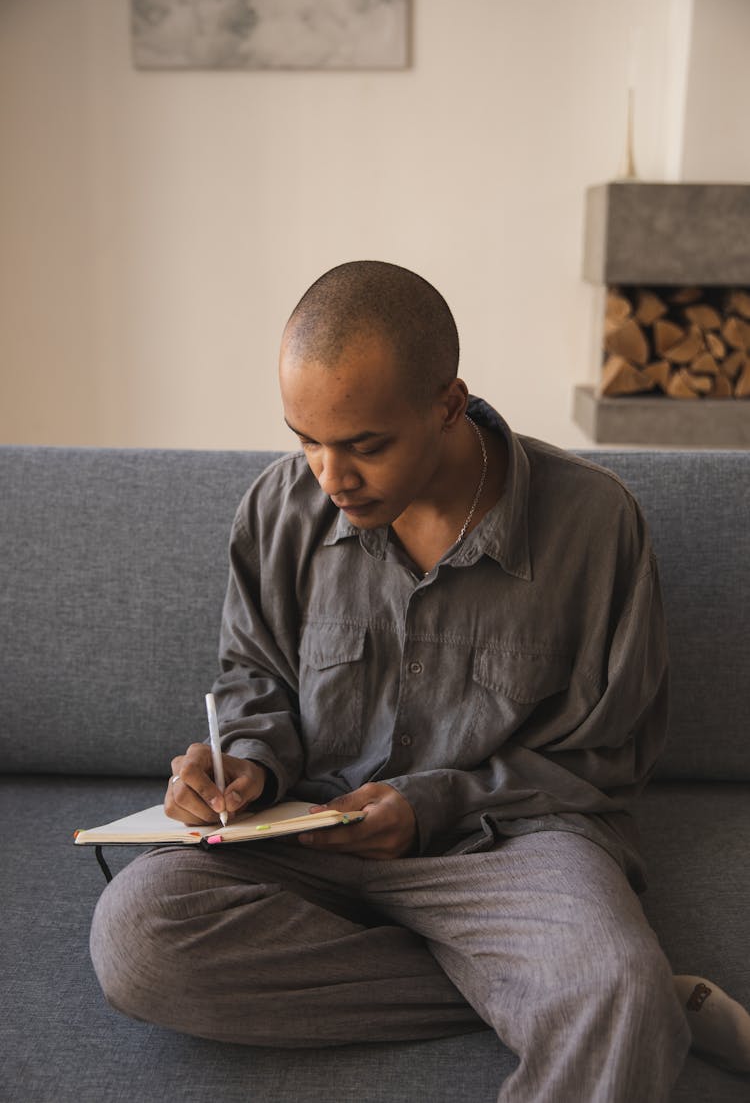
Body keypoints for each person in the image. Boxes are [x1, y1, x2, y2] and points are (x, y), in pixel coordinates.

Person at [91, 260, 694, 1101]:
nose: (330, 477)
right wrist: (249, 764)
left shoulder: (594, 522)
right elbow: (256, 678)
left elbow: (606, 757)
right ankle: (560, 993)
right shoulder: (278, 508)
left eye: (364, 445)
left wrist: (434, 803)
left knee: (614, 989)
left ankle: (599, 993)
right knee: (136, 935)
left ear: (448, 404)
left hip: (508, 850)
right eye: (306, 439)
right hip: (307, 841)